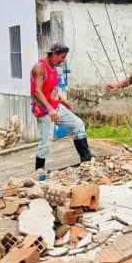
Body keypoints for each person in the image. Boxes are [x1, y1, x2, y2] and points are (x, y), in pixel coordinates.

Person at [30, 41, 93, 170]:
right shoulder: (39, 68)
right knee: (46, 143)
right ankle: (39, 173)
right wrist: (50, 109)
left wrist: (62, 100)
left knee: (78, 125)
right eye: (62, 57)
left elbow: (50, 90)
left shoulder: (53, 67)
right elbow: (37, 91)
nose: (62, 61)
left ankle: (86, 159)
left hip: (56, 108)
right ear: (54, 54)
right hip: (44, 111)